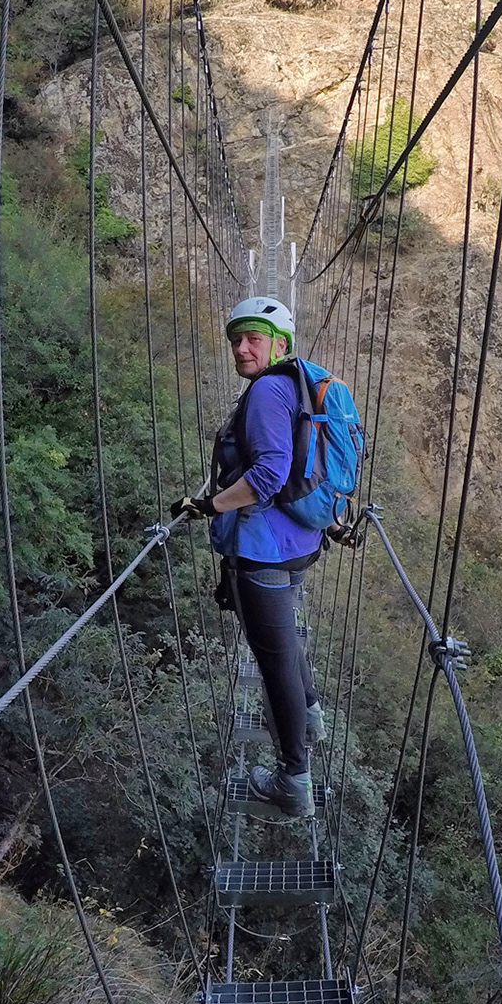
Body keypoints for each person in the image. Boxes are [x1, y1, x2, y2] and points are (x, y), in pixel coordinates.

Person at [171, 296, 326, 819]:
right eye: (236, 338)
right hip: (299, 541)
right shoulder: (297, 384)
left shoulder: (265, 391)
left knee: (274, 657)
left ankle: (293, 780)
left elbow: (268, 476)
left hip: (262, 550)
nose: (241, 347)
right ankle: (311, 714)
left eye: (253, 338)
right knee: (285, 640)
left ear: (280, 344)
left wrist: (205, 505)